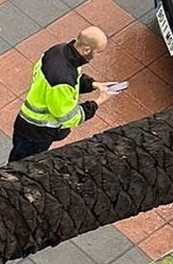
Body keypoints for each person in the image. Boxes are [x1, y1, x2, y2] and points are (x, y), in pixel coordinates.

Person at [8, 27, 116, 163]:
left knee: (17, 157)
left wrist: (94, 84)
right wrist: (99, 101)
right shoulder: (62, 79)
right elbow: (69, 117)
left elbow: (74, 78)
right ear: (87, 50)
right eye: (98, 52)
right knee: (21, 165)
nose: (97, 56)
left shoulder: (58, 51)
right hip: (38, 132)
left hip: (27, 125)